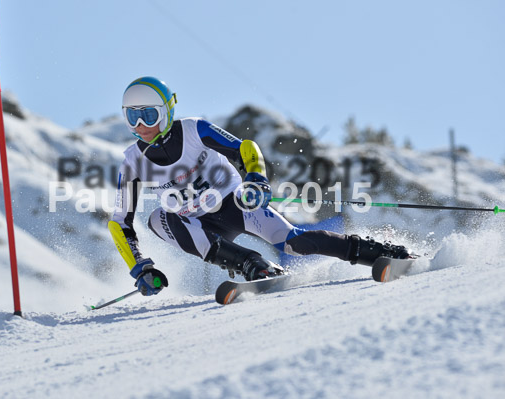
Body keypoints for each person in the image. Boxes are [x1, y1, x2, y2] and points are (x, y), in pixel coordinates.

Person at [109, 76, 410, 296]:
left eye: (148, 114)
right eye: (132, 117)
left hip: (235, 206)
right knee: (160, 219)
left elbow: (245, 149)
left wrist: (256, 178)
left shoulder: (194, 130)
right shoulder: (133, 162)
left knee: (295, 242)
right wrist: (141, 267)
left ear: (166, 111)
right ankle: (253, 265)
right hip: (195, 226)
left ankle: (380, 252)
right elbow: (119, 222)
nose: (141, 126)